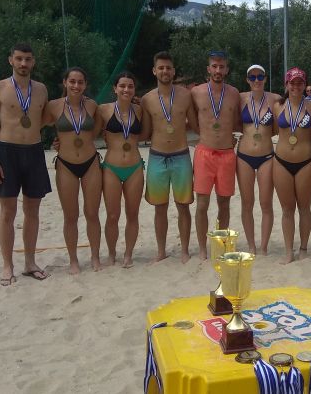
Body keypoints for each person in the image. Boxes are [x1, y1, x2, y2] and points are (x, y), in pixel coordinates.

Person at [0, 43, 51, 285]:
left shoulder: (41, 89)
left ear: (33, 62)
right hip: (7, 152)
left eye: (28, 59)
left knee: (33, 211)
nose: (23, 63)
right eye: (19, 58)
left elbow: (43, 120)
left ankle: (30, 262)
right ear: (10, 60)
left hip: (34, 152)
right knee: (7, 212)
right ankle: (7, 265)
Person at [43, 67, 103, 274]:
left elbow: (98, 130)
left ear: (85, 85)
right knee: (71, 216)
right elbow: (34, 124)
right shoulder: (54, 106)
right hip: (66, 164)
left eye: (80, 82)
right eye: (72, 81)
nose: (76, 86)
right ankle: (73, 260)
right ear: (65, 82)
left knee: (92, 213)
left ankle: (95, 256)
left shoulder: (92, 105)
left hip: (90, 163)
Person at [141, 51, 199, 263]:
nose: (165, 71)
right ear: (154, 71)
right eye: (161, 68)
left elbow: (196, 126)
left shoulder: (185, 95)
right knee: (160, 207)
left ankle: (184, 250)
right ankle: (161, 251)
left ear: (173, 71)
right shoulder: (147, 99)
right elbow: (144, 132)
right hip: (157, 157)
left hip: (181, 156)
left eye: (168, 68)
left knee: (183, 205)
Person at [191, 51, 241, 260]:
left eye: (221, 67)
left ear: (226, 69)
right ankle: (202, 247)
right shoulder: (196, 92)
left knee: (224, 203)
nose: (218, 70)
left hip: (227, 155)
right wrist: (205, 135)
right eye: (214, 66)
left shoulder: (234, 93)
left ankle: (220, 245)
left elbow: (236, 121)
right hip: (205, 153)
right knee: (202, 204)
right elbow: (192, 120)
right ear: (208, 68)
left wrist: (231, 138)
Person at [273, 67, 311, 264]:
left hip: (305, 162)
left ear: (305, 84)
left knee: (304, 208)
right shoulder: (278, 106)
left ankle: (303, 248)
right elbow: (272, 130)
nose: (296, 86)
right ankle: (288, 251)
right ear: (286, 84)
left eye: (300, 82)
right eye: (292, 82)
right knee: (287, 209)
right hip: (281, 162)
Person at [98, 72, 145, 268]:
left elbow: (149, 132)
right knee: (112, 215)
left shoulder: (139, 110)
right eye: (122, 86)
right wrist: (59, 142)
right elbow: (88, 132)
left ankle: (128, 253)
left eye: (130, 86)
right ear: (115, 88)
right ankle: (111, 253)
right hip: (112, 167)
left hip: (135, 167)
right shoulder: (103, 110)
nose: (126, 89)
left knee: (132, 214)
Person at [237, 64, 279, 255]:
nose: (256, 80)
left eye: (260, 77)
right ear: (247, 80)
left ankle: (263, 246)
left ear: (265, 78)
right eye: (252, 77)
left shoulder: (274, 99)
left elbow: (279, 127)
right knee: (247, 203)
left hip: (267, 156)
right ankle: (251, 245)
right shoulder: (240, 98)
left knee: (265, 203)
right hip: (244, 156)